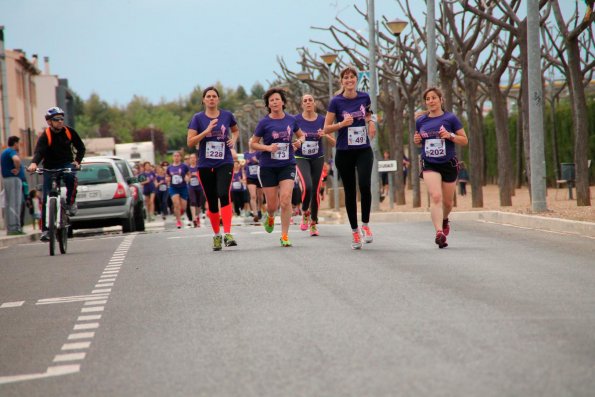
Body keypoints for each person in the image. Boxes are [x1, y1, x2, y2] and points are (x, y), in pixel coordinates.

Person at [323, 66, 376, 250]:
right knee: (350, 191)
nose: (349, 80)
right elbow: (326, 128)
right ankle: (354, 231)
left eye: (352, 77)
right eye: (346, 78)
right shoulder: (336, 102)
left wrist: (371, 123)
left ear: (356, 80)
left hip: (363, 149)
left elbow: (369, 113)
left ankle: (366, 225)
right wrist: (342, 124)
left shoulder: (364, 97)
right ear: (342, 81)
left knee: (364, 184)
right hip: (344, 151)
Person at [250, 87, 306, 247]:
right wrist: (267, 148)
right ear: (268, 104)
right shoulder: (264, 122)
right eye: (271, 100)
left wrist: (299, 142)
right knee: (272, 205)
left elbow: (301, 135)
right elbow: (253, 143)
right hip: (268, 167)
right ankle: (270, 216)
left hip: (287, 164)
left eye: (277, 99)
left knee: (286, 199)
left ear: (283, 102)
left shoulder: (291, 120)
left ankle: (285, 235)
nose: (274, 102)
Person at [413, 87, 468, 248]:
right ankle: (439, 233)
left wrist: (449, 136)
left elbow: (464, 140)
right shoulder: (421, 120)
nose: (431, 101)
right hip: (429, 162)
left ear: (441, 100)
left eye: (434, 98)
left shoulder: (450, 118)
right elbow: (418, 139)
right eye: (428, 99)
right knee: (435, 196)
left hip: (448, 163)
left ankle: (444, 220)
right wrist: (416, 139)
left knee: (448, 203)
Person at [187, 86, 240, 251]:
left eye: (214, 96)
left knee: (224, 193)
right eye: (208, 96)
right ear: (203, 100)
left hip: (224, 162)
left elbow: (235, 130)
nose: (211, 99)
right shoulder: (198, 118)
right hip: (205, 164)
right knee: (211, 200)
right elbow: (190, 142)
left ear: (218, 99)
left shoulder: (227, 115)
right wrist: (207, 131)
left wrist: (234, 140)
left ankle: (228, 234)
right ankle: (217, 235)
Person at [28, 107, 86, 241]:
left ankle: (70, 203)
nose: (60, 121)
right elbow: (39, 152)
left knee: (71, 176)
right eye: (56, 119)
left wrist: (77, 161)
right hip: (50, 167)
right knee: (46, 200)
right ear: (49, 122)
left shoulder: (69, 132)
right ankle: (45, 231)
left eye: (61, 119)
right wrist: (34, 163)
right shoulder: (45, 135)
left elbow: (81, 147)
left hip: (66, 163)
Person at [295, 94, 336, 236]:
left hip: (317, 158)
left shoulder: (322, 120)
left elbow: (334, 142)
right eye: (305, 100)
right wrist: (298, 141)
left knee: (316, 190)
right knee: (307, 186)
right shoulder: (296, 120)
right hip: (301, 157)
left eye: (310, 100)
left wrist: (325, 135)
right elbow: (290, 138)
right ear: (302, 104)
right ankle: (305, 211)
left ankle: (313, 222)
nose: (308, 102)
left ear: (314, 103)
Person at [1, 136, 24, 235]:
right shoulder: (11, 151)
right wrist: (17, 168)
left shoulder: (4, 152)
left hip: (7, 179)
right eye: (18, 143)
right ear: (15, 144)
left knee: (9, 203)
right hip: (13, 179)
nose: (19, 145)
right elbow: (16, 160)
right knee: (15, 202)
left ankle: (11, 227)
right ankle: (14, 228)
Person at [166, 151, 189, 229]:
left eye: (178, 156)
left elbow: (188, 174)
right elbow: (167, 176)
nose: (176, 157)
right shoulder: (169, 167)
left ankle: (179, 213)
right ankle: (178, 221)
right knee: (176, 204)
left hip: (183, 187)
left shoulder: (184, 166)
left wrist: (187, 178)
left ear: (180, 157)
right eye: (175, 156)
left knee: (183, 207)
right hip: (173, 188)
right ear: (173, 157)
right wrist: (167, 179)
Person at [187, 153, 205, 227]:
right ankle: (194, 218)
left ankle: (197, 217)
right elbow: (187, 179)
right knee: (192, 202)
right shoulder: (187, 168)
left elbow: (203, 176)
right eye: (191, 158)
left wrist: (197, 175)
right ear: (189, 160)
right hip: (191, 187)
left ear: (196, 159)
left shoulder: (199, 167)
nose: (193, 159)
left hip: (199, 187)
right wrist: (190, 176)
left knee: (199, 204)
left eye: (194, 158)